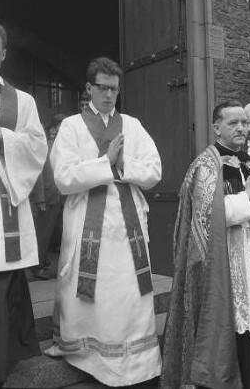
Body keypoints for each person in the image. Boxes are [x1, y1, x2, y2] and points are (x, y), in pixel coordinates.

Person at [44, 57, 162, 386]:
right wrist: (105, 164)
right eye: (102, 88)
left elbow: (154, 171)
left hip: (128, 227)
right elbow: (63, 178)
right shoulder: (71, 126)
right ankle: (83, 349)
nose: (109, 95)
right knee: (88, 288)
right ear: (89, 88)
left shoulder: (133, 126)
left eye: (114, 89)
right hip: (86, 221)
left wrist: (122, 165)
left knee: (125, 289)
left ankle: (134, 357)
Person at [160, 101, 250, 389]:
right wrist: (248, 196)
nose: (242, 128)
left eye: (245, 122)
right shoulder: (205, 166)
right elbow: (204, 218)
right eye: (233, 123)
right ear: (216, 127)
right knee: (239, 329)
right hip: (228, 265)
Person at [0, 20, 48, 387]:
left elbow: (38, 146)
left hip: (2, 211)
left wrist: (0, 135)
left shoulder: (23, 101)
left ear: (4, 55)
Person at [30, 113, 66, 280]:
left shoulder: (65, 144)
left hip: (60, 196)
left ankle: (48, 263)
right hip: (48, 195)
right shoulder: (43, 143)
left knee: (57, 232)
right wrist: (40, 197)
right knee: (43, 233)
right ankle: (38, 266)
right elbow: (38, 170)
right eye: (58, 126)